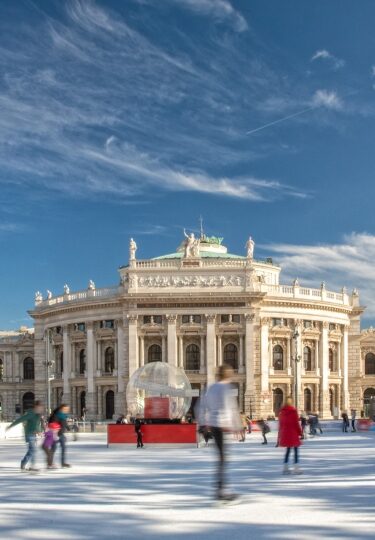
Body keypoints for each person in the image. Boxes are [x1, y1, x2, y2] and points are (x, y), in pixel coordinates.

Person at [199, 364, 242, 502]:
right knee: (223, 459)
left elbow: (199, 407)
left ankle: (220, 489)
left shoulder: (210, 388)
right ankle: (222, 491)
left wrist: (203, 424)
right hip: (221, 425)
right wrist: (236, 426)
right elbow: (230, 407)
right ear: (228, 375)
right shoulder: (225, 388)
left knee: (221, 458)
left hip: (213, 425)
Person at [6, 401, 44, 472]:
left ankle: (24, 463)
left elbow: (36, 425)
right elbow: (20, 420)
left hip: (33, 435)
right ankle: (30, 465)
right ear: (36, 407)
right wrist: (10, 426)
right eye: (40, 407)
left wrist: (39, 431)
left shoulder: (38, 415)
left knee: (31, 450)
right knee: (32, 450)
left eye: (41, 408)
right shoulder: (30, 414)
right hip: (29, 434)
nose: (41, 409)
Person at [278, 397, 303, 475]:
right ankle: (296, 468)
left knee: (288, 451)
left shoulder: (282, 412)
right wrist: (300, 433)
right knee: (295, 451)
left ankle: (285, 468)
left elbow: (280, 424)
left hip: (285, 433)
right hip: (293, 433)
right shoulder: (293, 411)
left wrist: (280, 435)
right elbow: (296, 423)